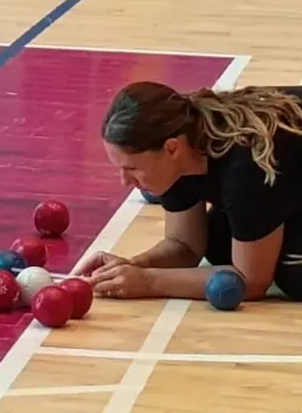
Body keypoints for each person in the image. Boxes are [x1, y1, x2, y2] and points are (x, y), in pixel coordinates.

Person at [75, 81, 302, 303]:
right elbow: (185, 246)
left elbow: (251, 282)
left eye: (132, 168)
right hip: (273, 178)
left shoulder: (244, 169)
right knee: (218, 243)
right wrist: (132, 266)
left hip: (270, 168)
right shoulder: (179, 138)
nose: (124, 181)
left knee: (292, 273)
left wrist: (149, 282)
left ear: (172, 148)